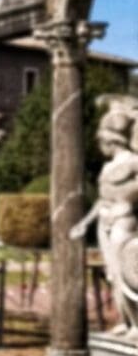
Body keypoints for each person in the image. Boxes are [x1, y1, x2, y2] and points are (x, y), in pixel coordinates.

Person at [70, 102, 138, 338]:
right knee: (112, 274)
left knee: (127, 272)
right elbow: (101, 200)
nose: (100, 147)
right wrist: (84, 223)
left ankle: (137, 325)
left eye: (101, 142)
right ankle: (126, 321)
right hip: (104, 222)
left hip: (122, 219)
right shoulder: (108, 167)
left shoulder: (134, 162)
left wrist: (128, 200)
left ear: (112, 141)